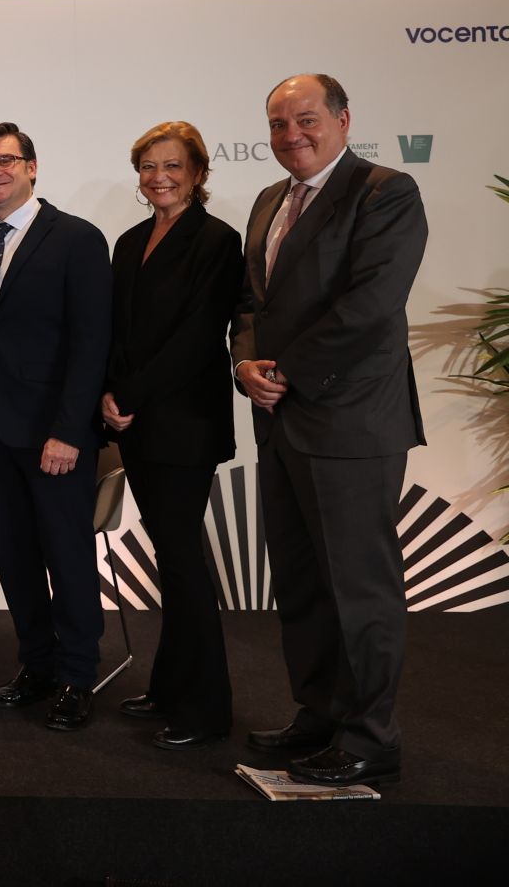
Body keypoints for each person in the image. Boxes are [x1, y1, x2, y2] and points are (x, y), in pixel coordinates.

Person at [234, 74, 426, 787]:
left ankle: (371, 737)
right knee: (302, 583)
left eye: (307, 119)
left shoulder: (385, 192)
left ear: (344, 120)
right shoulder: (268, 200)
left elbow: (372, 305)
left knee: (358, 587)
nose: (293, 135)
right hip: (281, 419)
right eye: (279, 124)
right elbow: (250, 302)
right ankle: (319, 713)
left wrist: (285, 371)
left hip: (351, 420)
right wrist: (244, 363)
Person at [0, 121, 111, 731]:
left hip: (54, 435)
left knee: (67, 556)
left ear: (31, 166)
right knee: (16, 558)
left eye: (4, 160)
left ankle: (78, 675)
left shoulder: (76, 238)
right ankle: (37, 665)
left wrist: (70, 430)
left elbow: (91, 341)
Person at [101, 121, 243, 750]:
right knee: (170, 556)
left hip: (185, 424)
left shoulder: (218, 241)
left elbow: (198, 338)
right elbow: (116, 330)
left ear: (199, 173)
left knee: (183, 561)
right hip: (135, 422)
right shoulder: (130, 241)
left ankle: (207, 709)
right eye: (148, 167)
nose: (159, 177)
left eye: (173, 166)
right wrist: (108, 393)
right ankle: (167, 687)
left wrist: (128, 396)